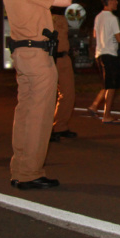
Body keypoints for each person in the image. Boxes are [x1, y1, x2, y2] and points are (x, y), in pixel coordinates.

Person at [2, 0, 72, 190]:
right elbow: (64, 0)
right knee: (40, 116)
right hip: (38, 57)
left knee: (24, 113)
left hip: (23, 54)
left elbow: (46, 1)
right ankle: (31, 173)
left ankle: (19, 169)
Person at [87, 0, 120, 123]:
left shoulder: (98, 17)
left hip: (100, 53)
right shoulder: (112, 18)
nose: (117, 2)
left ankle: (94, 106)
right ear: (110, 1)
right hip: (110, 54)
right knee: (112, 86)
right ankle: (106, 115)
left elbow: (96, 35)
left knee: (108, 84)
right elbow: (119, 39)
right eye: (115, 0)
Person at [50, 7, 77, 142]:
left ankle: (60, 126)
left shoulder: (62, 17)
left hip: (64, 57)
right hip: (50, 58)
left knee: (68, 93)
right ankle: (46, 130)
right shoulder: (43, 14)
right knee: (47, 96)